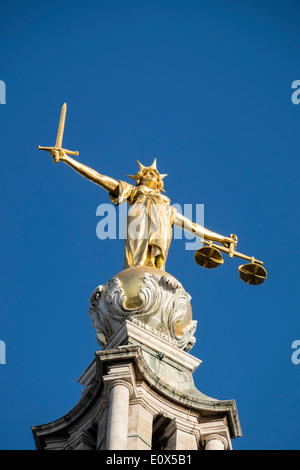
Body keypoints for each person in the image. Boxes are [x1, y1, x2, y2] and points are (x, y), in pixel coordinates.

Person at [49, 150, 236, 270]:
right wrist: (67, 159)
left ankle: (156, 273)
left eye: (155, 174)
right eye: (148, 173)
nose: (152, 175)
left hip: (161, 227)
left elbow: (193, 226)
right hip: (137, 223)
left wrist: (222, 239)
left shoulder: (167, 207)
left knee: (157, 262)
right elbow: (99, 177)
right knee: (135, 262)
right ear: (139, 178)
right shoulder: (132, 192)